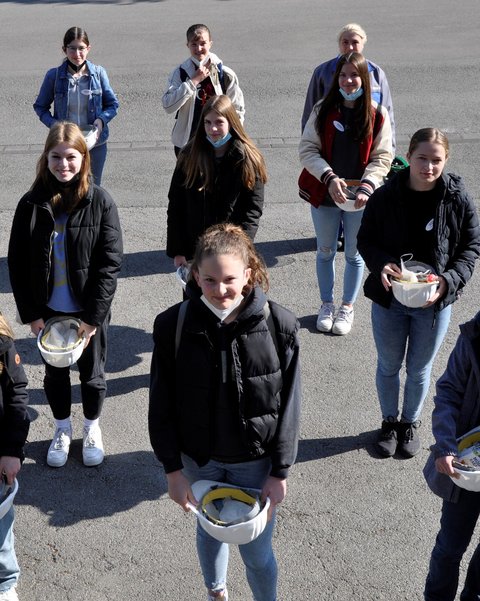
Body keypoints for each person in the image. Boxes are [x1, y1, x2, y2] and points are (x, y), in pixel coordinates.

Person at [149, 223, 301, 601]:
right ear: (194, 276)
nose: (220, 290)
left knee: (257, 554)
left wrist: (280, 471)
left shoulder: (280, 324)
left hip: (255, 464)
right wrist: (172, 470)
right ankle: (216, 591)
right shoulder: (172, 325)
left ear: (248, 275)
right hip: (199, 461)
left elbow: (290, 406)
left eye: (230, 279)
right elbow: (160, 403)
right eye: (210, 280)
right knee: (210, 532)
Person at [357, 127, 480, 458]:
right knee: (388, 365)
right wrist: (381, 264)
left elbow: (471, 247)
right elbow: (365, 239)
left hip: (434, 304)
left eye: (436, 160)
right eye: (422, 158)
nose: (428, 167)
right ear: (409, 156)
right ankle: (388, 422)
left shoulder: (457, 199)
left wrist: (448, 281)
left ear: (446, 160)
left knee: (419, 369)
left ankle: (409, 423)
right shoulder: (385, 196)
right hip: (390, 299)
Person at [8, 121, 123, 469]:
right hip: (49, 313)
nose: (63, 164)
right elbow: (17, 262)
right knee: (55, 376)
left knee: (92, 376)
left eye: (71, 156)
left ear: (84, 158)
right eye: (56, 157)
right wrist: (32, 314)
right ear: (46, 158)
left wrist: (93, 318)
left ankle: (91, 428)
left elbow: (109, 264)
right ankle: (61, 429)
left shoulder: (101, 202)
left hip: (87, 313)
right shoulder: (30, 203)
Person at [299, 52, 392, 336]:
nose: (348, 81)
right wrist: (328, 177)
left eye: (354, 75)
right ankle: (326, 304)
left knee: (354, 255)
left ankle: (347, 307)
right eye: (342, 75)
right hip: (326, 195)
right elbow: (307, 149)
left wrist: (368, 184)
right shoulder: (323, 110)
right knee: (325, 251)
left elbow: (383, 156)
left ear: (364, 78)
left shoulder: (377, 114)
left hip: (360, 199)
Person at [167, 94, 266, 270]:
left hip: (231, 250)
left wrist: (241, 248)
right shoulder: (189, 156)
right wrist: (178, 250)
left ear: (231, 122)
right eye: (208, 122)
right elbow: (176, 205)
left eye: (219, 122)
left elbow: (252, 211)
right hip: (195, 250)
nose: (212, 129)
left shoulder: (248, 159)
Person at [423, 310, 480, 600]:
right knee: (449, 547)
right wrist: (446, 445)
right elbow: (448, 390)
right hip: (467, 466)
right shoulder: (475, 334)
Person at [33, 26, 119, 185]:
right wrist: (55, 125)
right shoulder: (54, 76)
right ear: (64, 50)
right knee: (66, 186)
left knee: (92, 188)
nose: (77, 54)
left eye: (81, 48)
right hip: (65, 145)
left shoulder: (98, 73)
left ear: (88, 49)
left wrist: (101, 120)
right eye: (72, 48)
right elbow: (40, 107)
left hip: (94, 145)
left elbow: (112, 104)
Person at [301, 22, 395, 150]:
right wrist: (309, 149)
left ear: (363, 44)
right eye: (345, 42)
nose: (350, 47)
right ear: (339, 44)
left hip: (367, 143)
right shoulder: (322, 72)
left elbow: (388, 116)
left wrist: (390, 150)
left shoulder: (376, 73)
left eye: (355, 42)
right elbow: (310, 113)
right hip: (331, 143)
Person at [162, 23, 245, 155]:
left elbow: (237, 109)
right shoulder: (180, 73)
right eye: (194, 44)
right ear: (188, 45)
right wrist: (193, 81)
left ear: (210, 43)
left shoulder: (225, 74)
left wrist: (234, 136)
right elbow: (168, 105)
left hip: (219, 142)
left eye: (203, 43)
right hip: (188, 143)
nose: (199, 48)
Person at [0, 313, 29, 601]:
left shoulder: (1, 340)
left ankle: (5, 582)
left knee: (0, 526)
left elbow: (16, 393)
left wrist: (11, 450)